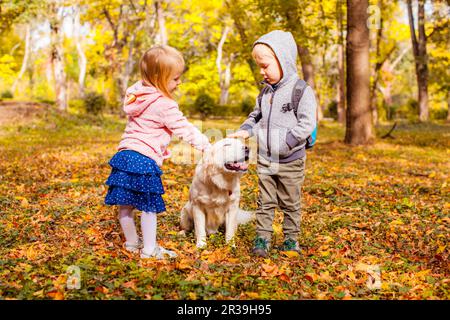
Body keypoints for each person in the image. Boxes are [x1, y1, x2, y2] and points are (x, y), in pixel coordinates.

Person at [105, 45, 211, 259]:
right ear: (158, 78)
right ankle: (149, 250)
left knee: (125, 207)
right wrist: (208, 147)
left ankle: (132, 243)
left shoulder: (136, 94)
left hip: (124, 156)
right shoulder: (164, 104)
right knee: (148, 207)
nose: (179, 82)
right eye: (175, 78)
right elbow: (184, 129)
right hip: (144, 159)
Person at [228, 30, 317, 257]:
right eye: (259, 66)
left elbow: (307, 123)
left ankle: (290, 239)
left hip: (291, 160)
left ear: (283, 59)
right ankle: (263, 238)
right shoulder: (265, 93)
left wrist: (286, 142)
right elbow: (255, 116)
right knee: (265, 201)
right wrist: (245, 131)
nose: (262, 71)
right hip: (266, 159)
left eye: (265, 65)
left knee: (290, 202)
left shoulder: (301, 91)